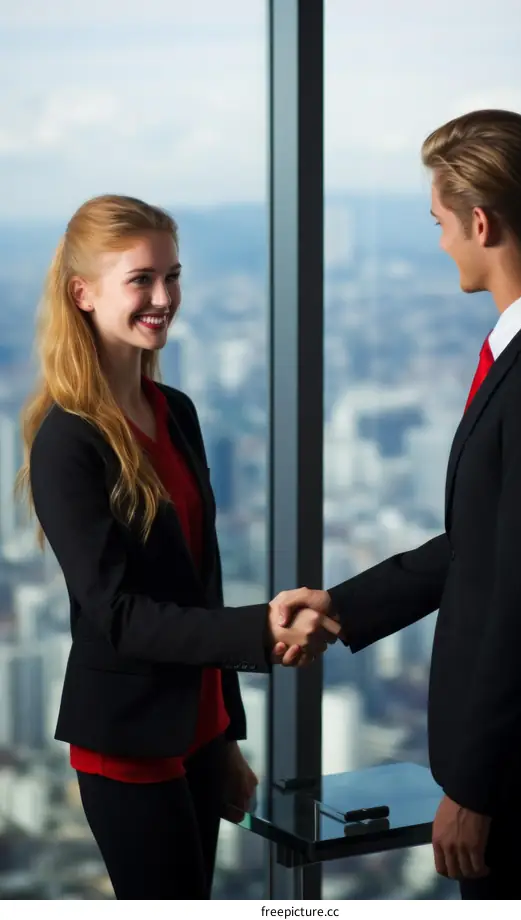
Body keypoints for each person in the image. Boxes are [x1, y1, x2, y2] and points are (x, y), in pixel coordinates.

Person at [274, 109, 521, 899]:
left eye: (440, 222)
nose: (441, 240)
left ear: (481, 222)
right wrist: (344, 606)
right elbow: (480, 544)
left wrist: (479, 788)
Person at [17, 194, 338, 900]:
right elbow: (120, 615)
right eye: (141, 279)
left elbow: (201, 582)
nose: (164, 298)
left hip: (198, 729)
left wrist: (224, 735)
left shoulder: (177, 412)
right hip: (129, 741)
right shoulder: (67, 440)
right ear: (84, 294)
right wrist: (259, 627)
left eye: (173, 276)